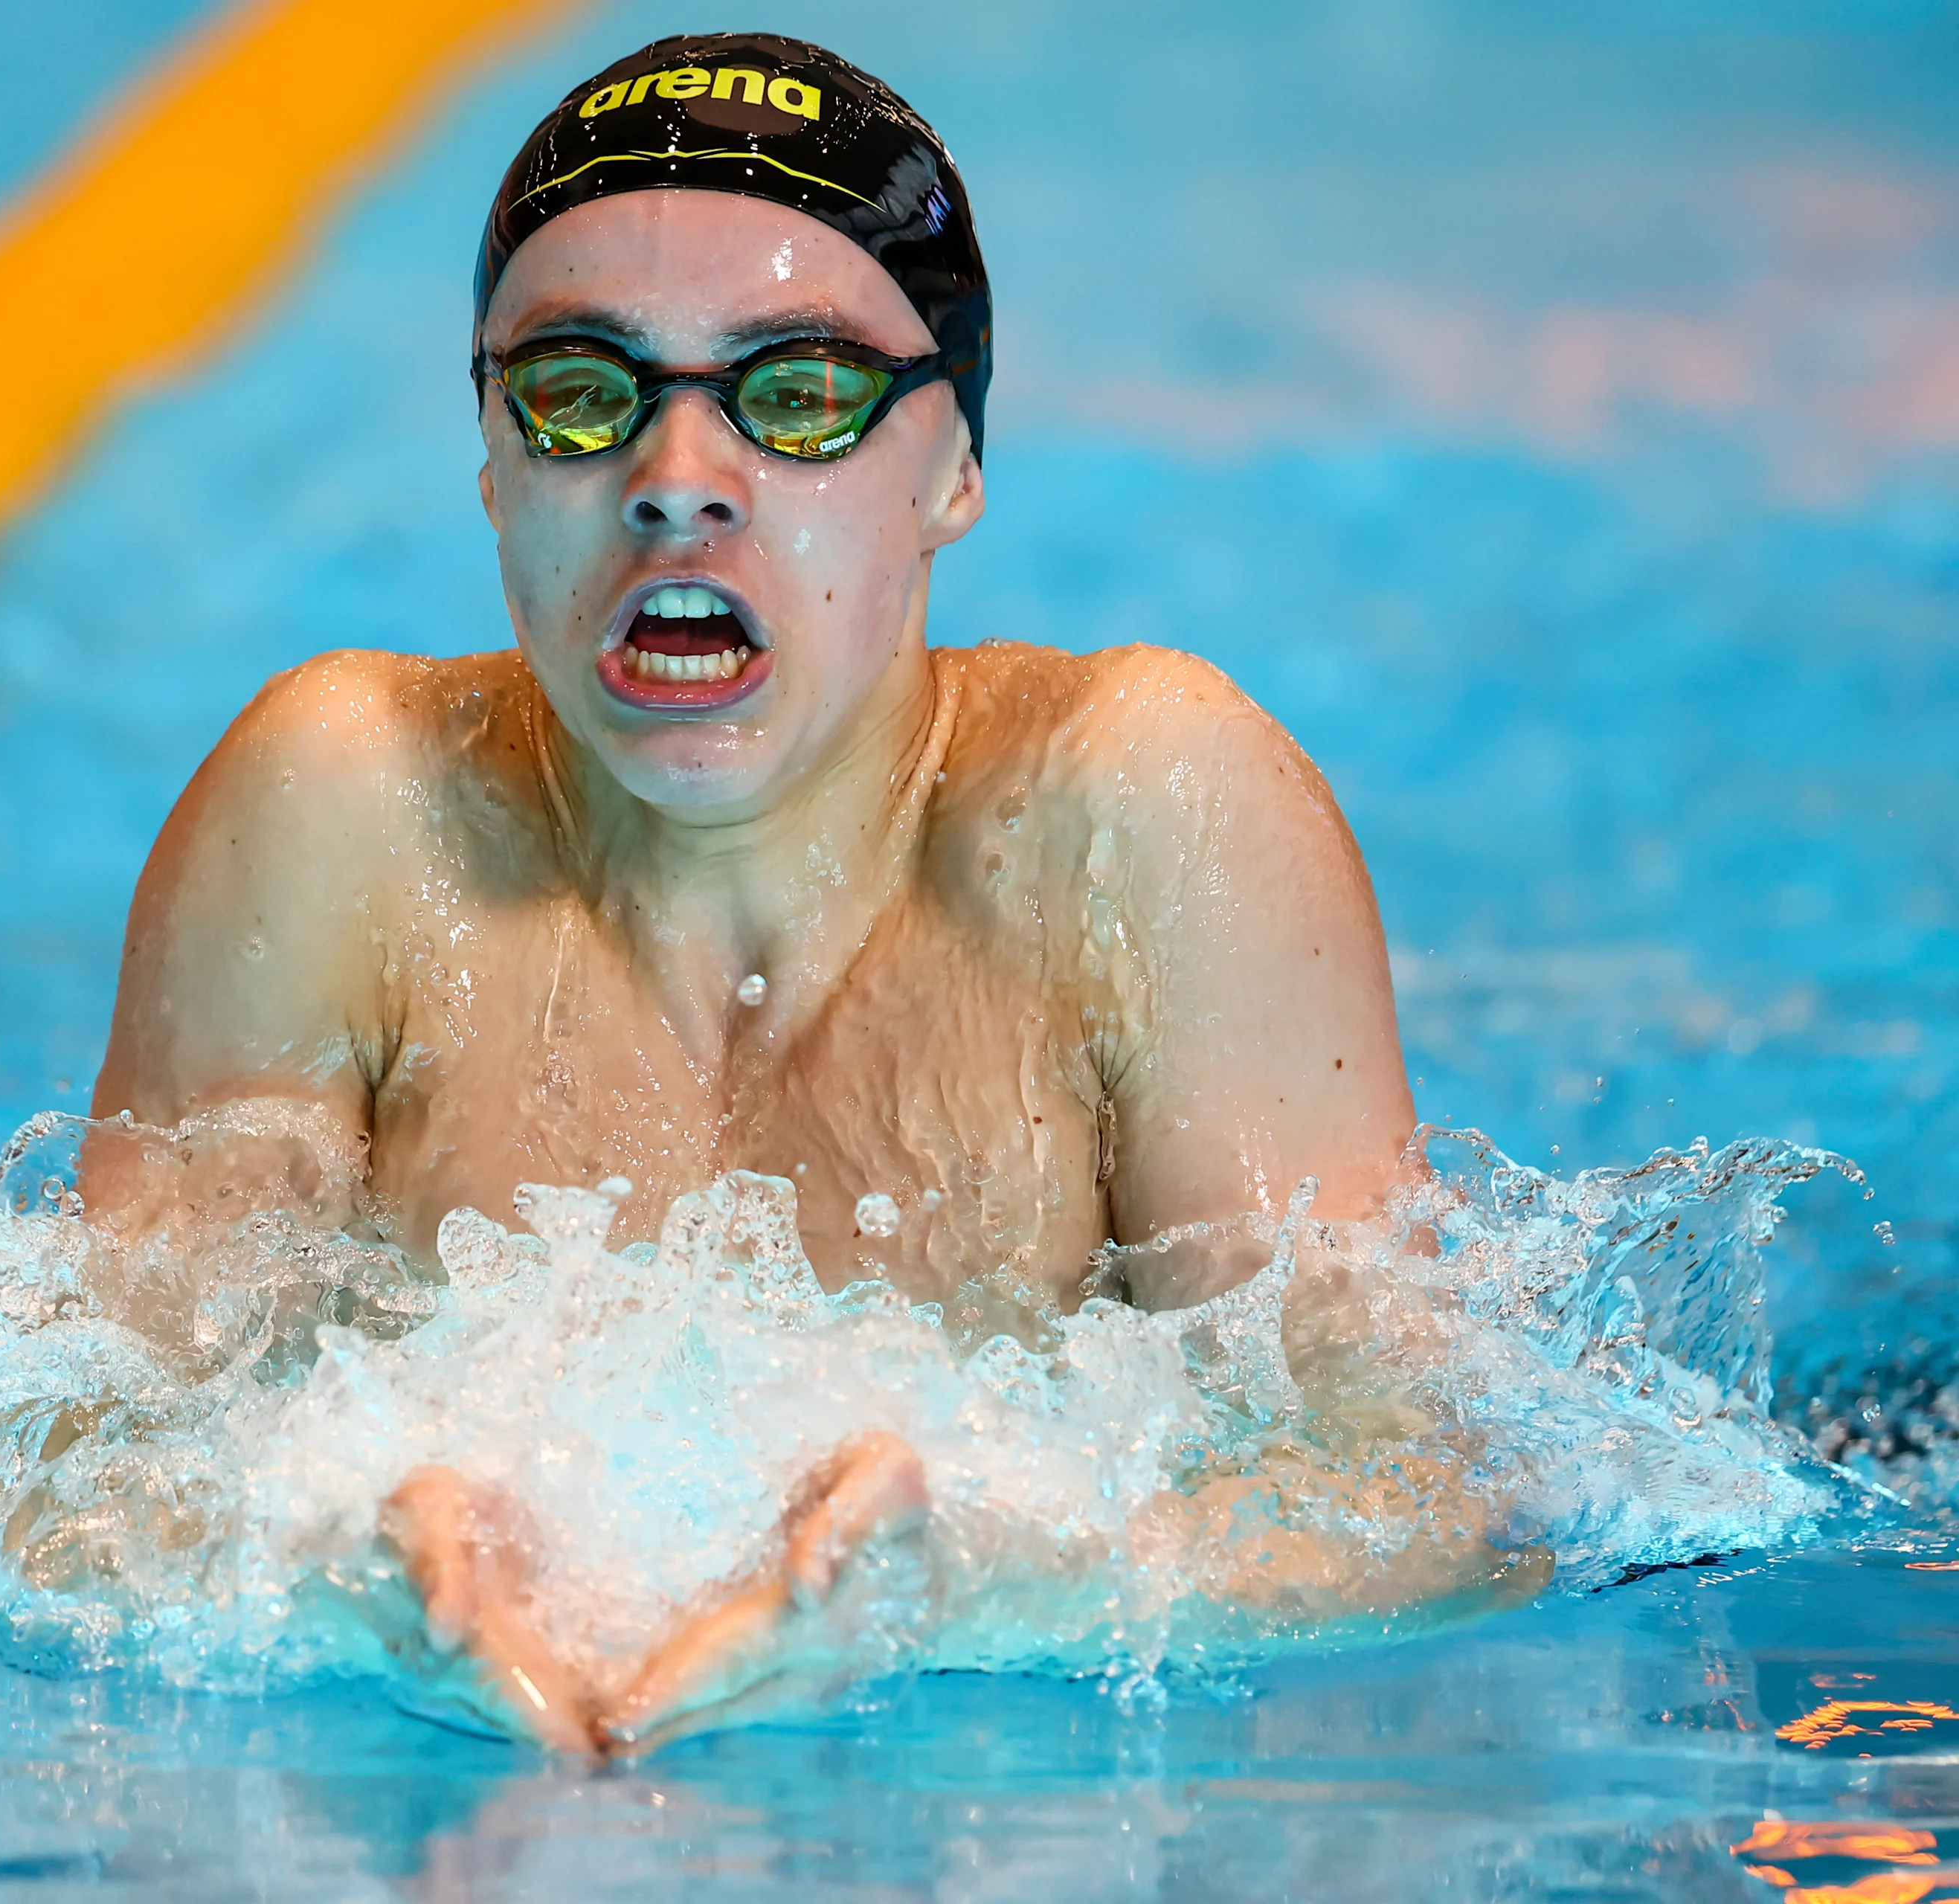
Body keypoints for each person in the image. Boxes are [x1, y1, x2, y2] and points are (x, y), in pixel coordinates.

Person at [86, 33, 1474, 1754]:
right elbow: (65, 1455)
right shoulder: (347, 812)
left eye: (799, 390)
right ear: (494, 467)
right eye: (581, 389)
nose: (676, 470)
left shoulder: (1135, 814)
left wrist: (999, 1581)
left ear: (954, 468)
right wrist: (308, 1563)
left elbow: (1419, 1492)